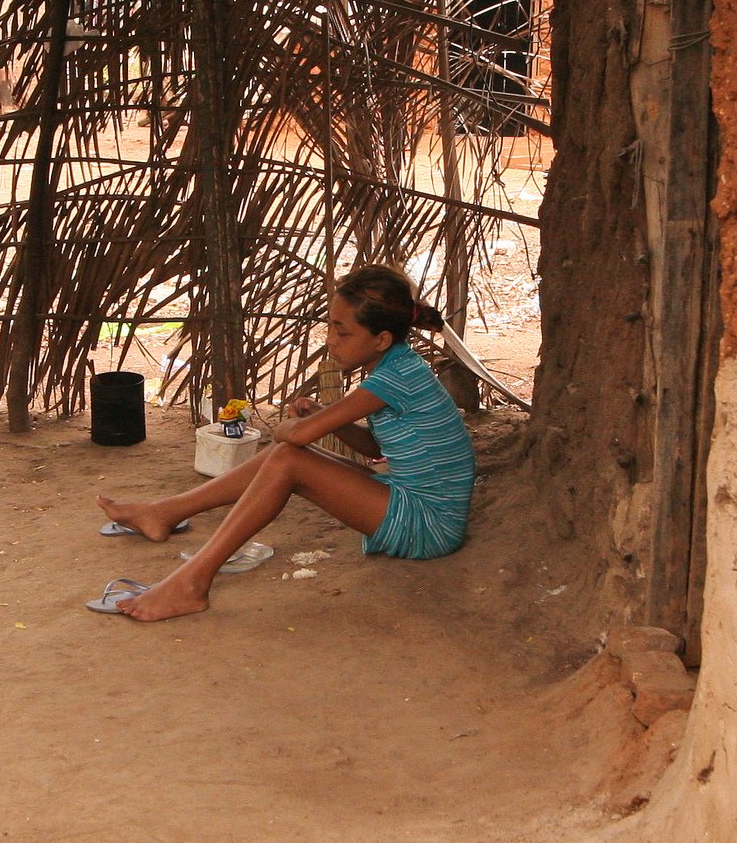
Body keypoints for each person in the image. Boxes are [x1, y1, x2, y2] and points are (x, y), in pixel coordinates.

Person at [92, 265, 477, 622]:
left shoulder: (391, 379)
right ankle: (165, 512)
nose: (331, 341)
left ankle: (191, 582)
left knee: (287, 459)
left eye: (343, 333)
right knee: (286, 456)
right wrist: (326, 419)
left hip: (428, 524)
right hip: (414, 501)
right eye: (331, 327)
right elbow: (376, 447)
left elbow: (291, 437)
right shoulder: (398, 366)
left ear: (381, 339)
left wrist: (301, 424)